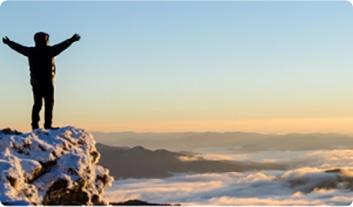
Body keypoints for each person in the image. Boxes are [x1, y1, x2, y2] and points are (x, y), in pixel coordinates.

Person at [2, 32, 80, 130]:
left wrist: (9, 43)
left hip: (36, 82)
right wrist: (71, 40)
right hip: (47, 82)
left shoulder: (31, 51)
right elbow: (62, 46)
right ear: (45, 40)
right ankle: (47, 125)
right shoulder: (49, 51)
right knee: (48, 103)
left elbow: (19, 48)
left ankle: (35, 125)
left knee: (38, 103)